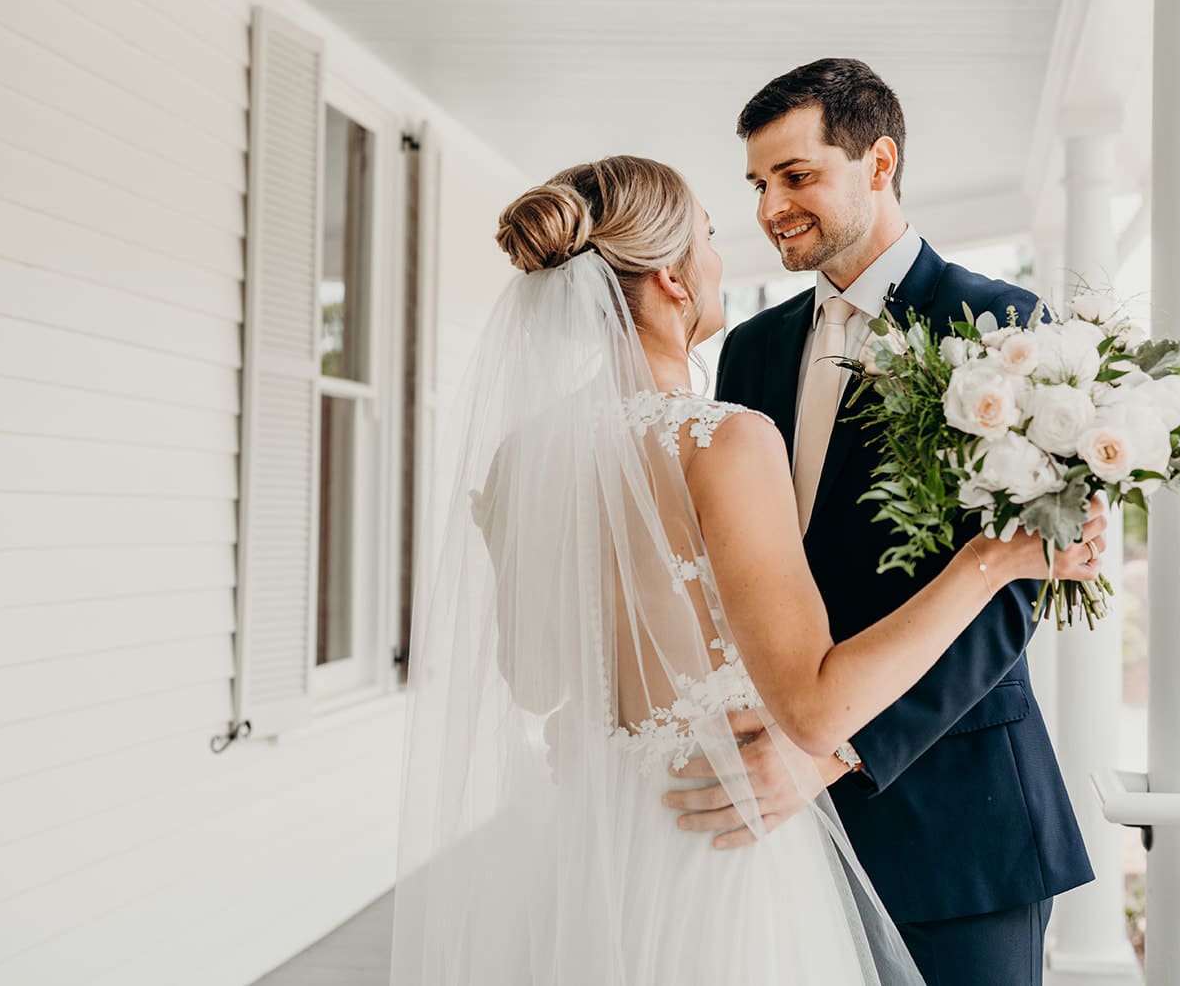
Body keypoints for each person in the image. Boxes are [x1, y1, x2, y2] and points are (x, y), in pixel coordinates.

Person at [388, 154, 1105, 985]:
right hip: (723, 851)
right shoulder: (726, 438)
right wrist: (989, 562)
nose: (725, 253)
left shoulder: (523, 458)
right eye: (709, 235)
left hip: (603, 843)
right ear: (670, 280)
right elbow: (812, 706)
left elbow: (535, 680)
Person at [669, 59, 1095, 986]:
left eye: (796, 175)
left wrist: (831, 754)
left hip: (957, 816)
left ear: (878, 161)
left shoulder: (1001, 321)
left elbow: (1013, 589)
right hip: (784, 837)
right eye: (757, 184)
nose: (771, 206)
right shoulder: (749, 350)